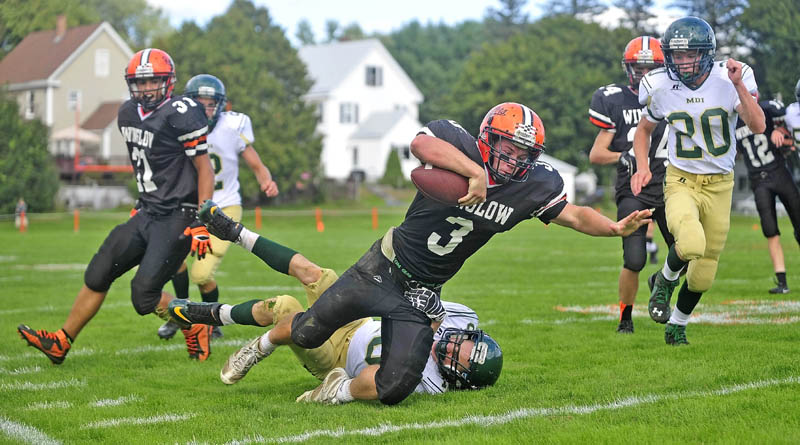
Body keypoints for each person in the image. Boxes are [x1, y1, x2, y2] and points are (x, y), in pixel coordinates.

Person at [193, 101, 650, 406]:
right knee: (310, 332)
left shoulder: (535, 185)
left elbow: (572, 215)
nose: (514, 160)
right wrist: (472, 171)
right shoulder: (458, 142)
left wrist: (613, 227)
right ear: (488, 138)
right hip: (383, 267)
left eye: (523, 153)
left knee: (396, 387)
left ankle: (334, 392)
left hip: (421, 292)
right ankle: (260, 345)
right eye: (509, 148)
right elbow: (419, 144)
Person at [17, 48, 216, 363]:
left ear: (168, 81)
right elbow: (147, 167)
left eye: (154, 81)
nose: (147, 88)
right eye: (141, 82)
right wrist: (141, 202)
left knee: (143, 296)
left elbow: (205, 169)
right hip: (147, 211)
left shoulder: (182, 112)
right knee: (98, 272)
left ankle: (195, 325)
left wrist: (201, 222)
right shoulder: (126, 113)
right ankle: (61, 342)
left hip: (178, 216)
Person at [165, 233, 501, 402]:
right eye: (463, 344)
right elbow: (426, 301)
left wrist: (338, 391)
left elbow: (376, 379)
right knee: (313, 273)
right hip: (359, 318)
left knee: (284, 308)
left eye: (458, 358)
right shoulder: (463, 319)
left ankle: (257, 347)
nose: (453, 346)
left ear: (458, 378)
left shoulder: (430, 384)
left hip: (336, 357)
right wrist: (436, 315)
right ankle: (236, 232)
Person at [631, 17, 766, 345]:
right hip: (681, 180)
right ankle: (663, 281)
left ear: (706, 53)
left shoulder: (730, 77)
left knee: (705, 271)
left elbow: (758, 124)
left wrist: (737, 86)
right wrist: (642, 166)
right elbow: (643, 130)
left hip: (721, 182)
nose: (682, 61)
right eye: (676, 55)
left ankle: (677, 324)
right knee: (691, 243)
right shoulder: (660, 86)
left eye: (690, 54)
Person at [156, 74, 279, 341]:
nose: (204, 109)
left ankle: (213, 320)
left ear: (221, 105)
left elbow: (256, 163)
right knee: (172, 259)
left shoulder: (232, 126)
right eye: (199, 103)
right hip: (189, 206)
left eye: (210, 103)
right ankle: (181, 315)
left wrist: (265, 179)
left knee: (201, 273)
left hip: (223, 208)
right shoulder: (178, 127)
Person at [588, 36, 676, 334]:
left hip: (671, 186)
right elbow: (596, 154)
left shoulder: (676, 96)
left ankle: (661, 279)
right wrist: (623, 155)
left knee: (687, 251)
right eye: (638, 67)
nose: (644, 73)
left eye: (651, 67)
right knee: (635, 259)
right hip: (634, 189)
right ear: (629, 69)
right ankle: (625, 317)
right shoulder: (615, 100)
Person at [734, 98, 800, 294]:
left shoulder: (767, 110)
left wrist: (780, 131)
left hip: (780, 173)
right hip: (758, 180)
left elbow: (789, 130)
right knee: (770, 231)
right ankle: (782, 282)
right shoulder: (732, 120)